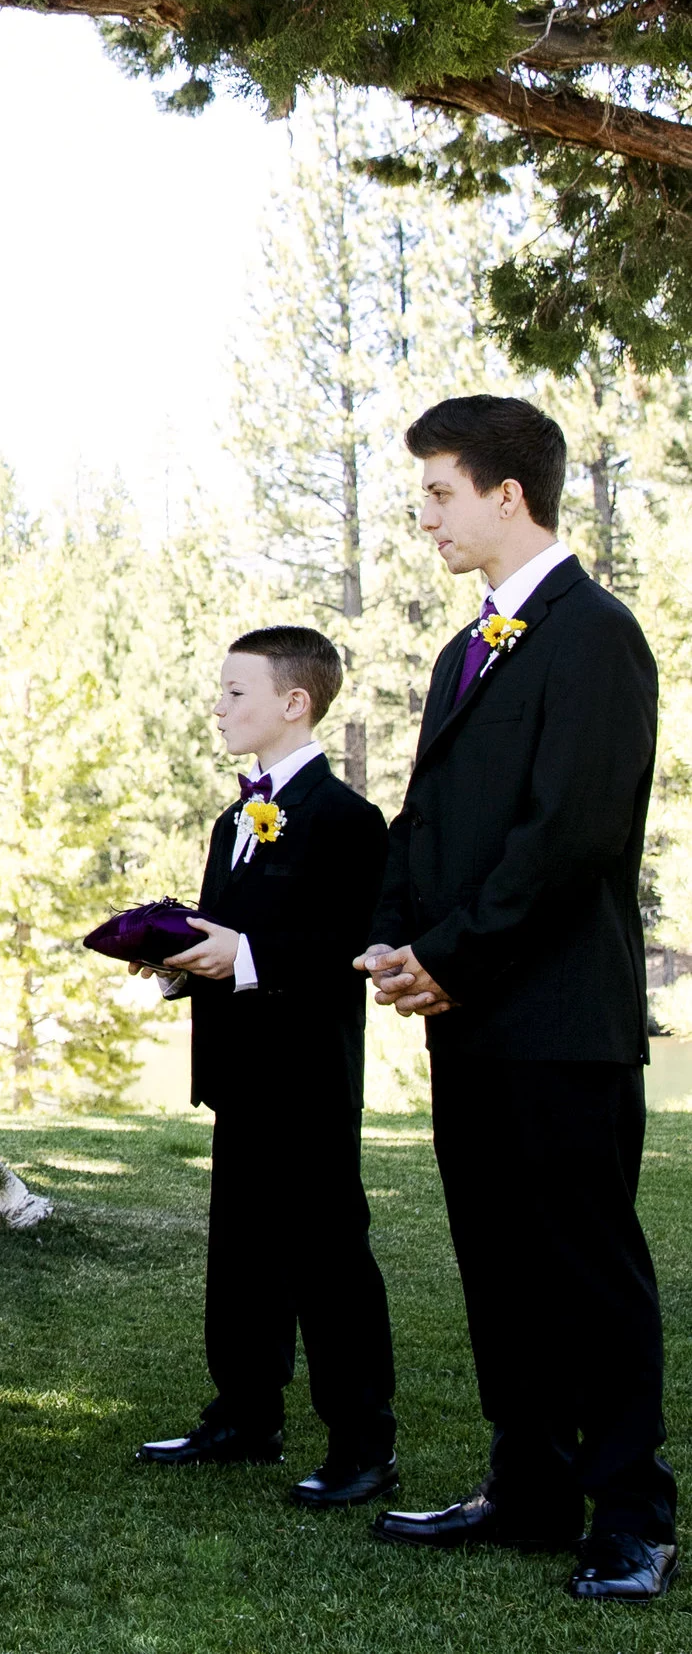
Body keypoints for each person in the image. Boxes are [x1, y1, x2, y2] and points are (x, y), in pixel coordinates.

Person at [359, 394, 671, 1605]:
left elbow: (572, 836)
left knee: (587, 1266)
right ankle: (529, 1485)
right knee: (495, 1258)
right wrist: (394, 935)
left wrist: (456, 954)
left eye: (438, 490)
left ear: (506, 494)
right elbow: (427, 817)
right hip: (468, 1014)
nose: (423, 513)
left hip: (557, 1019)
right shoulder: (464, 649)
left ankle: (632, 1514)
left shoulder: (596, 635)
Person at [135, 625, 396, 1506]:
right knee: (241, 1252)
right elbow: (229, 937)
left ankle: (363, 1443)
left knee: (328, 1257)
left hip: (310, 1078)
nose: (218, 706)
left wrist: (243, 955)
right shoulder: (230, 820)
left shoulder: (350, 822)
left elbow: (346, 947)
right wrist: (178, 958)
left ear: (296, 703)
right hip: (240, 1074)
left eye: (235, 692)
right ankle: (247, 1414)